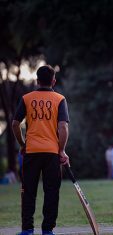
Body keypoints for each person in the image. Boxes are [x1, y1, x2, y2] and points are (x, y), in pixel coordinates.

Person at [12, 65, 70, 235]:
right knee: (51, 191)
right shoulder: (60, 99)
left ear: (37, 81)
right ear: (54, 81)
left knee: (28, 191)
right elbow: (63, 127)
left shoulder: (26, 98)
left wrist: (23, 144)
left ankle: (28, 229)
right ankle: (47, 230)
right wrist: (62, 150)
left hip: (31, 151)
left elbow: (15, 124)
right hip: (52, 152)